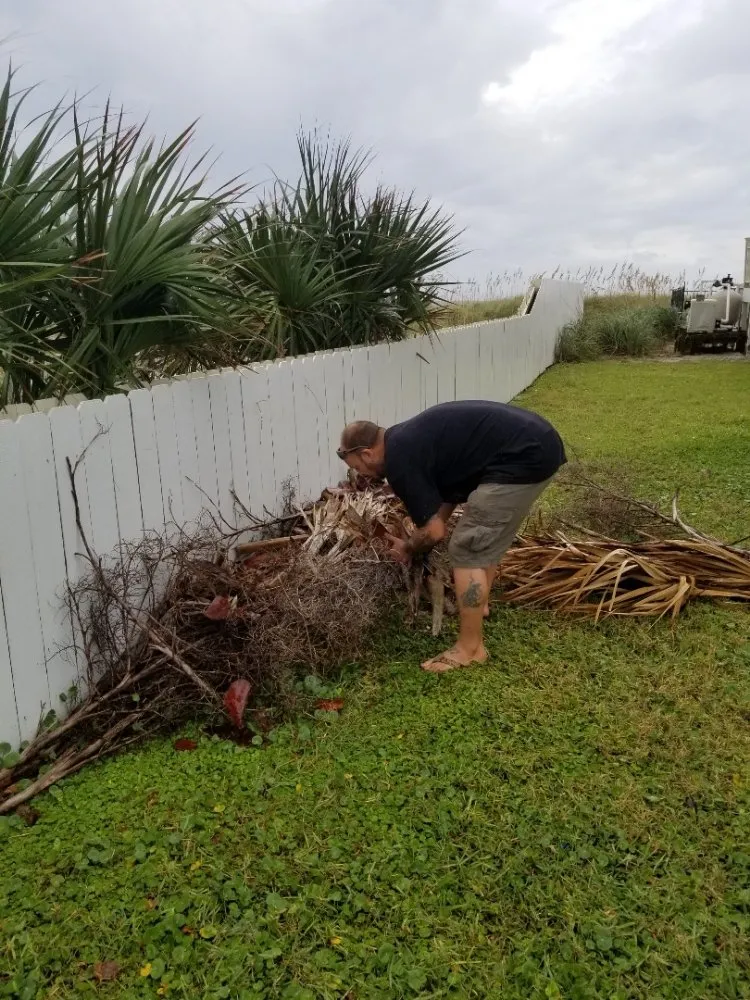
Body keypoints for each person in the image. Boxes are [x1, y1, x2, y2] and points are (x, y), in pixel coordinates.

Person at [338, 400, 566, 673]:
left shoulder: (399, 461)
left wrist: (408, 548)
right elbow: (445, 501)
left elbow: (434, 532)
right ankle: (478, 607)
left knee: (466, 549)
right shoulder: (405, 440)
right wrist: (415, 542)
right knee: (480, 539)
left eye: (358, 468)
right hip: (536, 443)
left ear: (366, 454)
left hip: (524, 456)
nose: (361, 475)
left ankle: (470, 649)